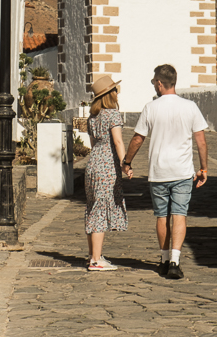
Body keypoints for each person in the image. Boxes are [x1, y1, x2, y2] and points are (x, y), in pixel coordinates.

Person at [121, 63, 208, 280]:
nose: (154, 86)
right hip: (182, 171)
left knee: (162, 216)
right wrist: (204, 168)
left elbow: (138, 138)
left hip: (158, 172)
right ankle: (175, 262)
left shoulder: (151, 108)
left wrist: (127, 162)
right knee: (179, 214)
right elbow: (201, 142)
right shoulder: (190, 107)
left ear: (160, 84)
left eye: (154, 83)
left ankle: (163, 259)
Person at [84, 74, 127, 271]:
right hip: (107, 166)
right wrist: (125, 163)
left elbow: (93, 144)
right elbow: (117, 141)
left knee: (93, 207)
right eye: (115, 90)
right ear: (110, 95)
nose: (118, 93)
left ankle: (94, 254)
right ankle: (96, 260)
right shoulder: (112, 115)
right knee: (100, 210)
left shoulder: (92, 118)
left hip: (93, 164)